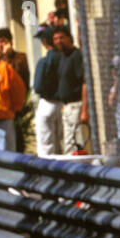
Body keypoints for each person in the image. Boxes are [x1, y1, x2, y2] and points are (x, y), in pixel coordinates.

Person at [52, 26, 89, 154]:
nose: (58, 41)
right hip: (66, 108)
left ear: (69, 38)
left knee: (78, 144)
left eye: (61, 37)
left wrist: (84, 110)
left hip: (76, 107)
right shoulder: (62, 58)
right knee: (68, 146)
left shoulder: (75, 56)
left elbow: (85, 83)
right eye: (55, 39)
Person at [33, 27, 62, 156]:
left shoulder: (44, 62)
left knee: (46, 146)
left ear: (44, 42)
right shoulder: (65, 58)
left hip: (47, 103)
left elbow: (38, 87)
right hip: (63, 104)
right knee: (62, 144)